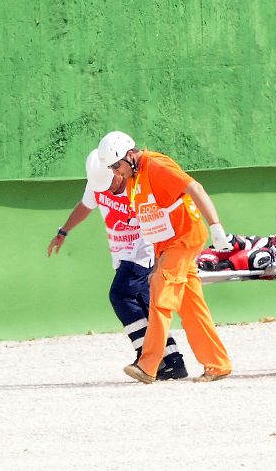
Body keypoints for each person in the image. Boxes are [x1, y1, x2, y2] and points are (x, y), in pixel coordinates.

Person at [97, 131, 233, 384]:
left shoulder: (156, 165)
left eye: (117, 165)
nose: (116, 172)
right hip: (168, 244)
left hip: (185, 238)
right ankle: (218, 364)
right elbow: (154, 221)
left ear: (130, 155)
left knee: (159, 293)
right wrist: (158, 259)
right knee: (191, 308)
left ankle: (148, 365)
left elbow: (195, 187)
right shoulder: (133, 178)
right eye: (111, 168)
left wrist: (215, 225)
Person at [47, 149, 188, 380]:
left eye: (111, 182)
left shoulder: (137, 184)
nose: (108, 189)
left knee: (120, 295)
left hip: (143, 249)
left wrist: (163, 252)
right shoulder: (97, 183)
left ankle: (146, 358)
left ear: (117, 168)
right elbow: (85, 206)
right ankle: (173, 361)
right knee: (145, 306)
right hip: (121, 253)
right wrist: (63, 232)